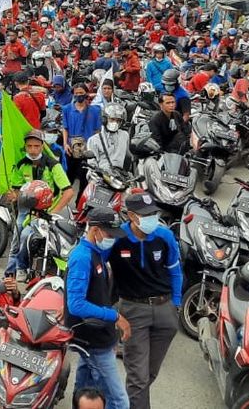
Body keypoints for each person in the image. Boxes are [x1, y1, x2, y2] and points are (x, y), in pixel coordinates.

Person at [108, 192, 182, 409]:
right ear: (131, 215)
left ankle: (122, 403)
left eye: (154, 213)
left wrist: (175, 305)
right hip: (133, 311)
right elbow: (95, 260)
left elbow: (175, 272)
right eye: (146, 214)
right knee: (138, 378)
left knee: (148, 373)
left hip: (165, 311)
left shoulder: (164, 236)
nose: (152, 218)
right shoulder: (116, 238)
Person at [66, 206, 130, 409]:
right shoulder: (82, 257)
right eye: (110, 234)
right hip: (93, 338)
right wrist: (114, 317)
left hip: (96, 336)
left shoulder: (97, 253)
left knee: (83, 387)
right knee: (119, 401)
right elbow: (75, 304)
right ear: (95, 231)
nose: (113, 238)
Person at [5, 130, 76, 276]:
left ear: (42, 146)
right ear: (25, 147)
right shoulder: (21, 165)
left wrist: (53, 212)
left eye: (36, 146)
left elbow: (69, 192)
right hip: (28, 212)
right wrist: (14, 195)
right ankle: (16, 270)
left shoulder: (53, 165)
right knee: (20, 237)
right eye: (29, 146)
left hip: (50, 212)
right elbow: (17, 190)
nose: (32, 150)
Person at [87, 104, 131, 172]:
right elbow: (91, 165)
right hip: (102, 176)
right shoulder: (93, 140)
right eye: (112, 119)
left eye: (118, 120)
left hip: (120, 176)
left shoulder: (125, 135)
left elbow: (128, 157)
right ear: (104, 119)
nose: (115, 123)